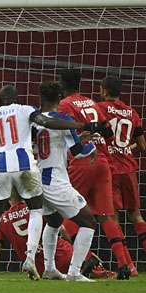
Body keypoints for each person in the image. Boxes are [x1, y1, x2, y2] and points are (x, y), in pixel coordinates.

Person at [0, 84, 93, 282]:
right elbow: (64, 139)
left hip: (3, 168)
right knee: (82, 220)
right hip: (41, 174)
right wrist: (84, 131)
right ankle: (65, 269)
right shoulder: (29, 112)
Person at [58, 69, 132, 279]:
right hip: (102, 161)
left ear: (62, 84)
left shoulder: (65, 104)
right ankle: (125, 266)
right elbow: (108, 132)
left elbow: (70, 134)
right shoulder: (90, 102)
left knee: (67, 211)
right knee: (106, 216)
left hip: (83, 160)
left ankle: (88, 257)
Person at [32, 81, 101, 282]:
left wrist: (80, 137)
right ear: (60, 99)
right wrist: (90, 146)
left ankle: (50, 269)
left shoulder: (35, 119)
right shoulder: (64, 119)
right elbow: (78, 152)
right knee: (88, 221)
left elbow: (56, 143)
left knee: (54, 222)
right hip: (55, 179)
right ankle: (74, 272)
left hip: (38, 177)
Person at [0, 189, 115, 280]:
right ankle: (89, 268)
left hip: (39, 268)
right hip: (64, 255)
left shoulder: (2, 221)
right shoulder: (36, 208)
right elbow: (62, 230)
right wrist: (79, 252)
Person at [98, 76, 146, 276]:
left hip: (110, 169)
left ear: (105, 90)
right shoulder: (132, 113)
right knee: (136, 215)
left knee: (112, 217)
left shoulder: (99, 108)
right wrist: (126, 148)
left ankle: (128, 266)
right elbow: (143, 146)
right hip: (129, 169)